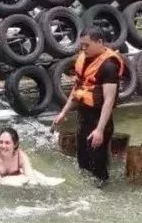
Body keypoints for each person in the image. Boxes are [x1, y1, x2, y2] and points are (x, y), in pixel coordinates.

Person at [51, 28, 123, 184]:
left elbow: (109, 100)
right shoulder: (83, 59)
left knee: (98, 167)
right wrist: (63, 113)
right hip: (84, 119)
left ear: (99, 43)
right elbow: (77, 89)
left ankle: (102, 195)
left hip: (99, 121)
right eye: (81, 45)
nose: (83, 49)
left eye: (87, 45)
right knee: (83, 162)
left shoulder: (109, 66)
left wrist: (100, 130)